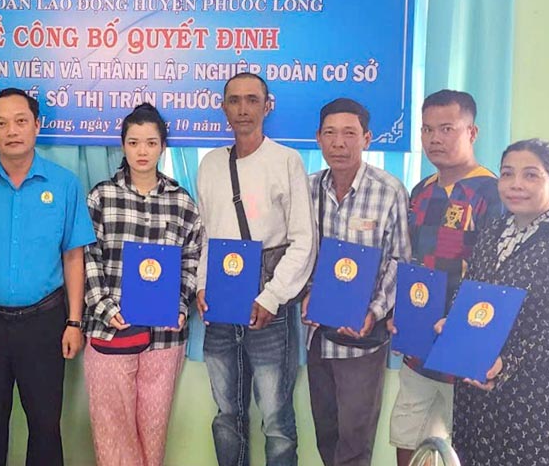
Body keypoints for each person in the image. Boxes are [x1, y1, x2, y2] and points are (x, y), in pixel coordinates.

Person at [0, 88, 95, 466]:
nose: (12, 131)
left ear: (37, 126)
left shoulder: (64, 184)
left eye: (21, 121)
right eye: (1, 123)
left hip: (45, 320)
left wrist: (74, 321)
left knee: (45, 425)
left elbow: (74, 257)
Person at [195, 73, 317, 466]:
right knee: (227, 415)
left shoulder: (286, 160)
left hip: (270, 307)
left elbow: (303, 240)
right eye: (234, 100)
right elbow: (206, 235)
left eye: (252, 100)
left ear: (268, 105)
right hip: (221, 308)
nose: (243, 109)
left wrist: (271, 297)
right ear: (224, 107)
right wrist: (201, 285)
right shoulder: (211, 164)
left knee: (276, 421)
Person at [446, 139, 549, 466]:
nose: (516, 185)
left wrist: (510, 359)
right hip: (481, 376)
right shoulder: (495, 230)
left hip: (539, 388)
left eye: (530, 175)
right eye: (507, 174)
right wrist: (453, 321)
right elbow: (474, 288)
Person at [83, 104, 205, 466]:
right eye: (134, 142)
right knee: (111, 428)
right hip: (110, 329)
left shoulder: (181, 201)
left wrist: (180, 307)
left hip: (165, 336)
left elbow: (191, 259)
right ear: (122, 144)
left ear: (163, 147)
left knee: (154, 428)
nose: (142, 151)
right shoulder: (101, 196)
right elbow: (87, 257)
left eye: (151, 142)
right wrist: (106, 307)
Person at [387, 90, 502, 465]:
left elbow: (498, 277)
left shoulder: (494, 193)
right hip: (419, 345)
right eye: (427, 129)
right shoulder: (421, 191)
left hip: (466, 344)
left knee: (467, 447)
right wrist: (400, 314)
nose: (434, 138)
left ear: (472, 131)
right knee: (408, 436)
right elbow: (410, 263)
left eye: (447, 128)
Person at [302, 98, 411, 466]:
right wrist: (304, 293)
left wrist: (375, 310)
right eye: (330, 133)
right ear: (318, 138)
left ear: (367, 138)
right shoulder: (307, 188)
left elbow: (399, 258)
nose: (339, 143)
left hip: (362, 336)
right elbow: (299, 251)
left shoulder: (389, 189)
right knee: (326, 433)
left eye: (350, 133)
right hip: (318, 333)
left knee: (355, 441)